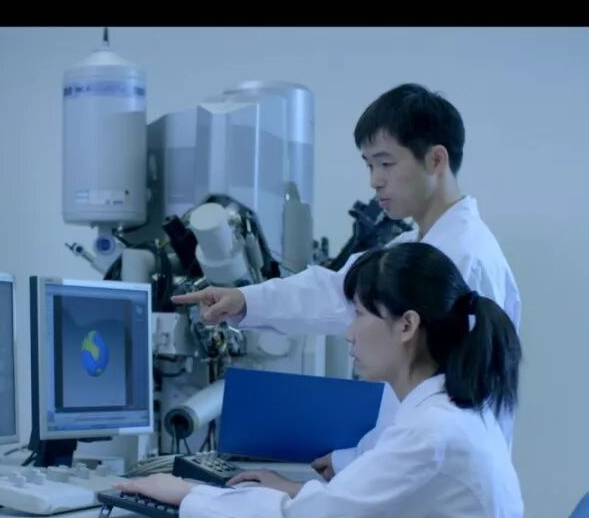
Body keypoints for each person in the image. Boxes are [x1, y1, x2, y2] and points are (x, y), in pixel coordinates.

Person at [172, 83, 521, 479]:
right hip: (414, 473)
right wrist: (243, 299)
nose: (375, 181)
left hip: (439, 482)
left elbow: (441, 415)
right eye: (369, 165)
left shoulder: (465, 258)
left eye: (386, 164)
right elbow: (332, 292)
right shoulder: (416, 246)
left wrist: (356, 465)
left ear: (435, 159)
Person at [118, 242, 524, 518]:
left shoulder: (432, 433)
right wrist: (296, 491)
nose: (349, 333)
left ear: (407, 325)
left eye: (360, 314)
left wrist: (187, 495)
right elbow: (349, 505)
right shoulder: (454, 414)